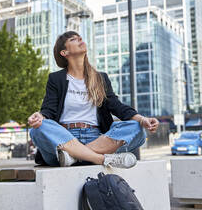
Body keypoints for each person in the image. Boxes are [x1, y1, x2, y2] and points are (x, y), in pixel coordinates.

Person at [28, 31, 159, 168]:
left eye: (80, 37)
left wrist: (142, 119)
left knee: (137, 128)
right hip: (63, 138)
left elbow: (116, 106)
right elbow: (49, 109)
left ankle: (73, 156)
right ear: (64, 52)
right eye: (73, 39)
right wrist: (40, 116)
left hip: (97, 139)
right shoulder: (56, 79)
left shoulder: (100, 78)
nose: (80, 38)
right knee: (37, 129)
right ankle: (100, 159)